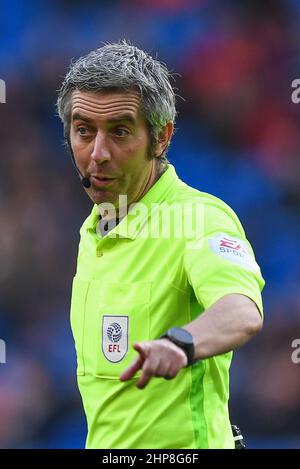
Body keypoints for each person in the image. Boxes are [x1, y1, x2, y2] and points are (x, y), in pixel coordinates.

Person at [57, 41, 265, 449]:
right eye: (84, 131)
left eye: (119, 132)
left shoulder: (198, 219)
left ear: (161, 137)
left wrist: (181, 343)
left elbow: (241, 311)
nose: (97, 154)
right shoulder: (95, 230)